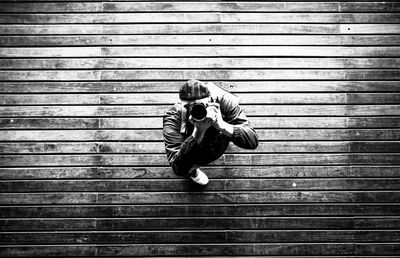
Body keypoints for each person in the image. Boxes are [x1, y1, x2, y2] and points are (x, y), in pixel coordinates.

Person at [162, 79, 259, 185]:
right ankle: (193, 173)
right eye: (190, 106)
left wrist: (221, 125)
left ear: (211, 99)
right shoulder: (173, 117)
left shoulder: (224, 102)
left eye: (202, 105)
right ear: (183, 105)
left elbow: (252, 140)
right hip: (196, 155)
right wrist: (198, 131)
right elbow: (178, 168)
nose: (196, 110)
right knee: (189, 168)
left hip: (219, 144)